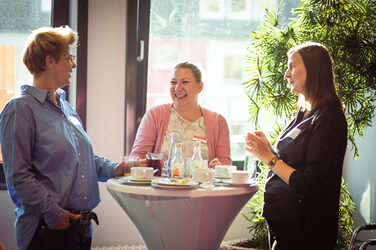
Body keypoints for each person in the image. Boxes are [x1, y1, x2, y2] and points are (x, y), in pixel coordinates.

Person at [0, 26, 142, 250]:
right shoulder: (20, 109)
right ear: (49, 61)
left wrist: (118, 168)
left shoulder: (64, 106)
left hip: (81, 227)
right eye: (69, 57)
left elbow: (81, 159)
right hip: (48, 229)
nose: (74, 64)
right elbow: (18, 176)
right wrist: (54, 214)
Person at [245, 42, 347, 250]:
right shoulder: (305, 112)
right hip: (284, 224)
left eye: (292, 66)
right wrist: (269, 149)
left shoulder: (329, 119)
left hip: (306, 231)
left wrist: (269, 158)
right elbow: (293, 163)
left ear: (313, 70)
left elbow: (308, 183)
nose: (286, 74)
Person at [130, 62, 231, 168]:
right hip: (161, 184)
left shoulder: (218, 122)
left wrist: (216, 167)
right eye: (173, 82)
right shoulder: (154, 115)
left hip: (202, 184)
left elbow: (225, 166)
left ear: (200, 87)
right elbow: (137, 158)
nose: (177, 88)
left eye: (185, 82)